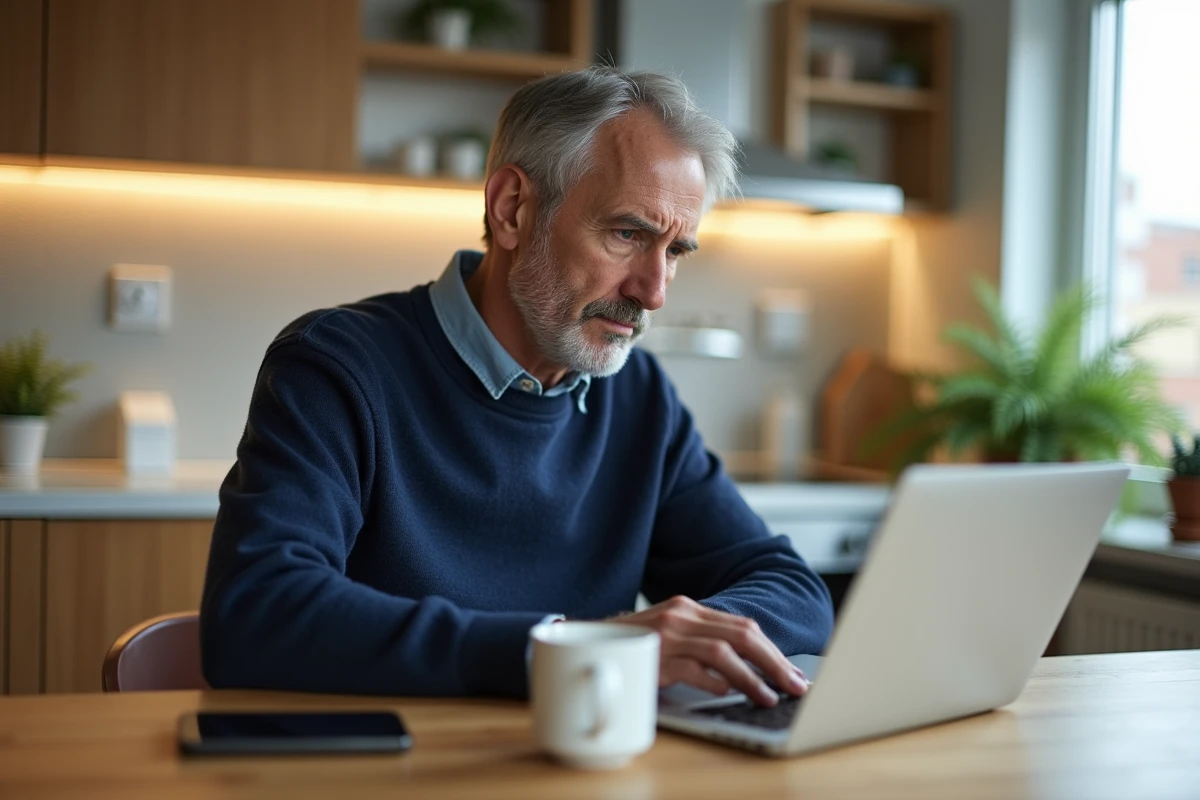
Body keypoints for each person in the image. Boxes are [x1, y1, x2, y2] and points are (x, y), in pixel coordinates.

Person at [200, 67, 834, 708]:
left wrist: (686, 638)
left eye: (675, 251)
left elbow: (790, 588)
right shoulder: (338, 367)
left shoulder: (638, 394)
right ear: (512, 210)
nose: (655, 291)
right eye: (627, 234)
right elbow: (257, 612)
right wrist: (565, 651)